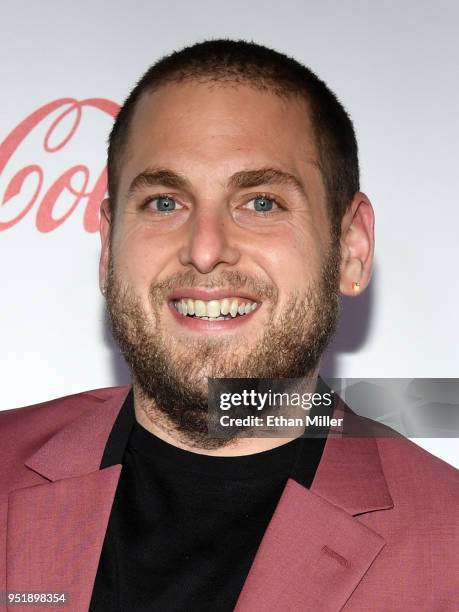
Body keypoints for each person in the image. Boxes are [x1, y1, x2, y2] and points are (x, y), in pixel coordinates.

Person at [0, 39, 457, 612]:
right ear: (107, 244)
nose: (206, 249)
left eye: (261, 202)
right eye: (165, 202)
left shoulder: (450, 548)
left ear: (351, 247)